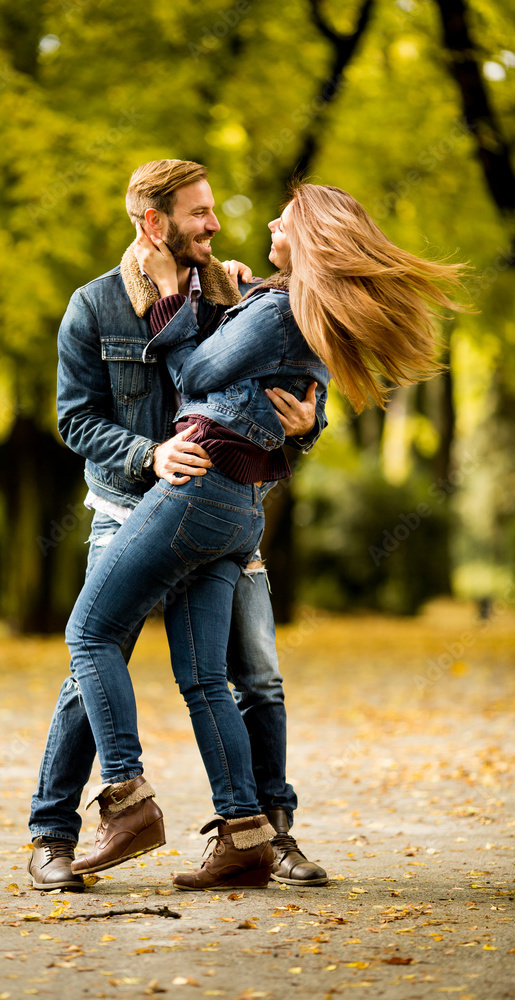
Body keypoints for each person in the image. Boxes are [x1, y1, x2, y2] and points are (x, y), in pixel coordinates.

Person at [65, 179, 466, 891]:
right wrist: (232, 306)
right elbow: (252, 387)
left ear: (309, 234)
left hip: (201, 492)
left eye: (284, 216)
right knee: (202, 677)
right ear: (157, 221)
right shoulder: (277, 300)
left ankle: (127, 804)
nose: (258, 224)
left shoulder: (280, 305)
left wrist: (173, 293)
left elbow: (194, 371)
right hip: (241, 503)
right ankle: (245, 832)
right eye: (205, 214)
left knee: (91, 637)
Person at [28, 160, 329, 894]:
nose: (215, 223)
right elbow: (74, 419)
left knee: (248, 677)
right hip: (129, 506)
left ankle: (261, 832)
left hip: (220, 509)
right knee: (88, 670)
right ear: (152, 224)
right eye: (198, 213)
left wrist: (309, 424)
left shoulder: (237, 290)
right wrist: (149, 453)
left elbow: (282, 383)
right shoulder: (93, 306)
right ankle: (53, 835)